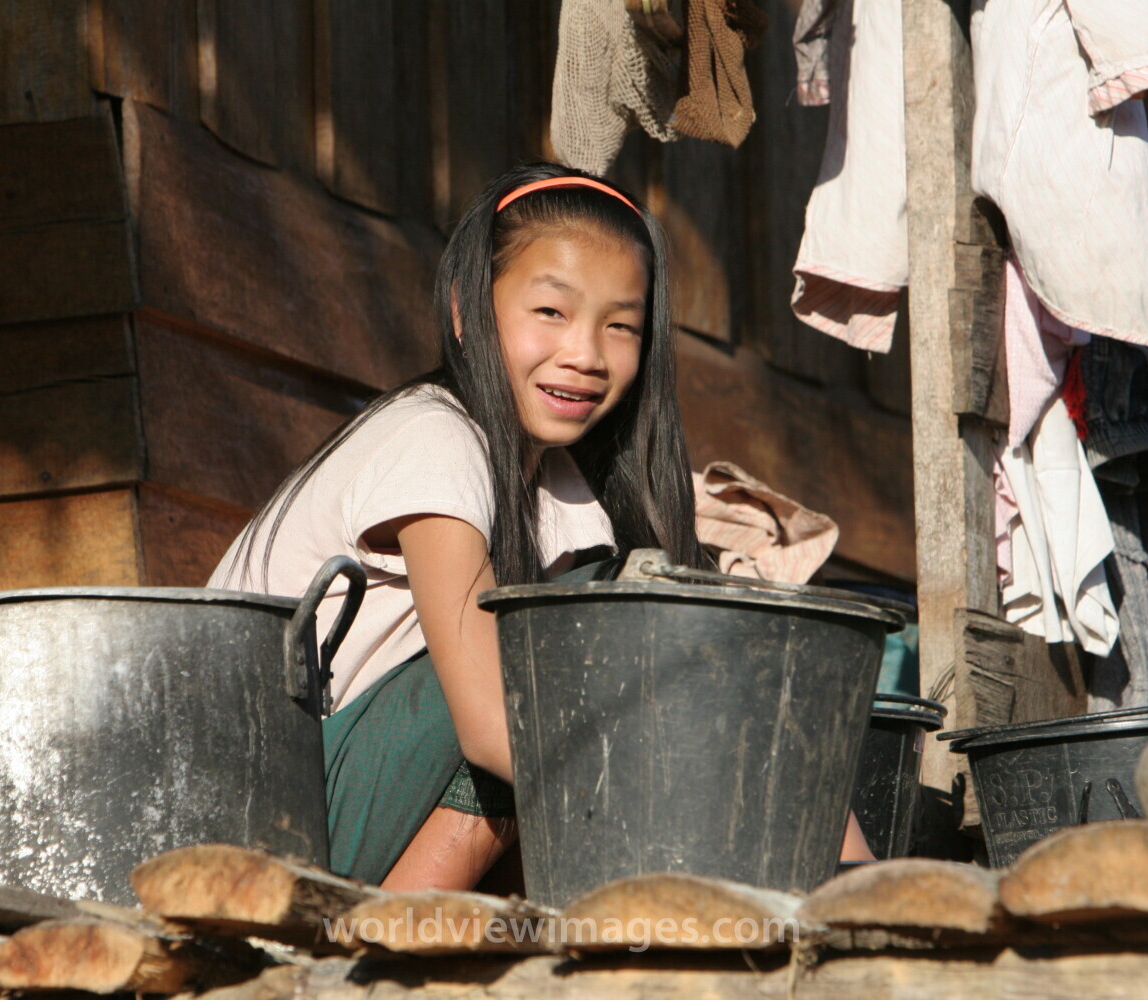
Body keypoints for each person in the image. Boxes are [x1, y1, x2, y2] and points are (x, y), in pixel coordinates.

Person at [210, 162, 872, 893]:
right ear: (466, 309)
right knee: (582, 646)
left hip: (352, 802)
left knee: (676, 623)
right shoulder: (434, 437)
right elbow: (494, 733)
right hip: (269, 828)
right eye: (550, 313)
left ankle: (858, 894)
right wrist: (689, 786)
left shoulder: (564, 485)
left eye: (620, 325)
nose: (585, 354)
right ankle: (383, 936)